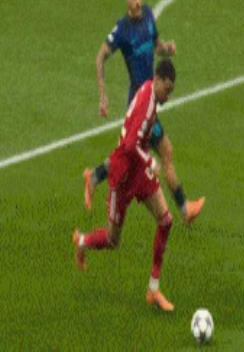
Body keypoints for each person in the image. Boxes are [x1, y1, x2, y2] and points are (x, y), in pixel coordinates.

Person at [83, 0, 204, 225]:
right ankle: (184, 209)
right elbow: (100, 57)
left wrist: (166, 49)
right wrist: (102, 95)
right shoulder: (122, 30)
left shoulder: (149, 15)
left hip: (151, 102)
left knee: (128, 158)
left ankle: (94, 176)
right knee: (164, 151)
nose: (138, 1)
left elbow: (156, 44)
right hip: (139, 106)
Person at [73, 58, 178, 311]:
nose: (168, 97)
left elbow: (135, 140)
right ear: (158, 80)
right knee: (112, 240)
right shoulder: (146, 104)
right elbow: (130, 145)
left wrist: (146, 161)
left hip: (138, 169)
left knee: (166, 221)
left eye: (171, 92)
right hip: (123, 174)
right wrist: (150, 161)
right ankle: (82, 241)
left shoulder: (150, 93)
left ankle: (153, 289)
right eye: (167, 90)